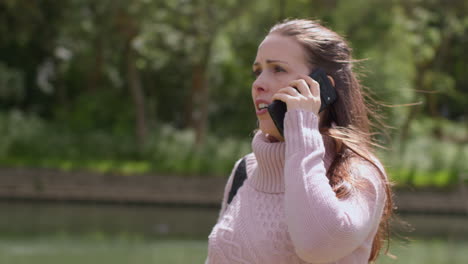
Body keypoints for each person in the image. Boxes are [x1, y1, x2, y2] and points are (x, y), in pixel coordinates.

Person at [206, 18, 393, 264]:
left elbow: (317, 245)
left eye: (277, 69)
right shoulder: (245, 170)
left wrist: (302, 124)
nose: (258, 84)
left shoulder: (359, 175)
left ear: (321, 87)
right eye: (257, 71)